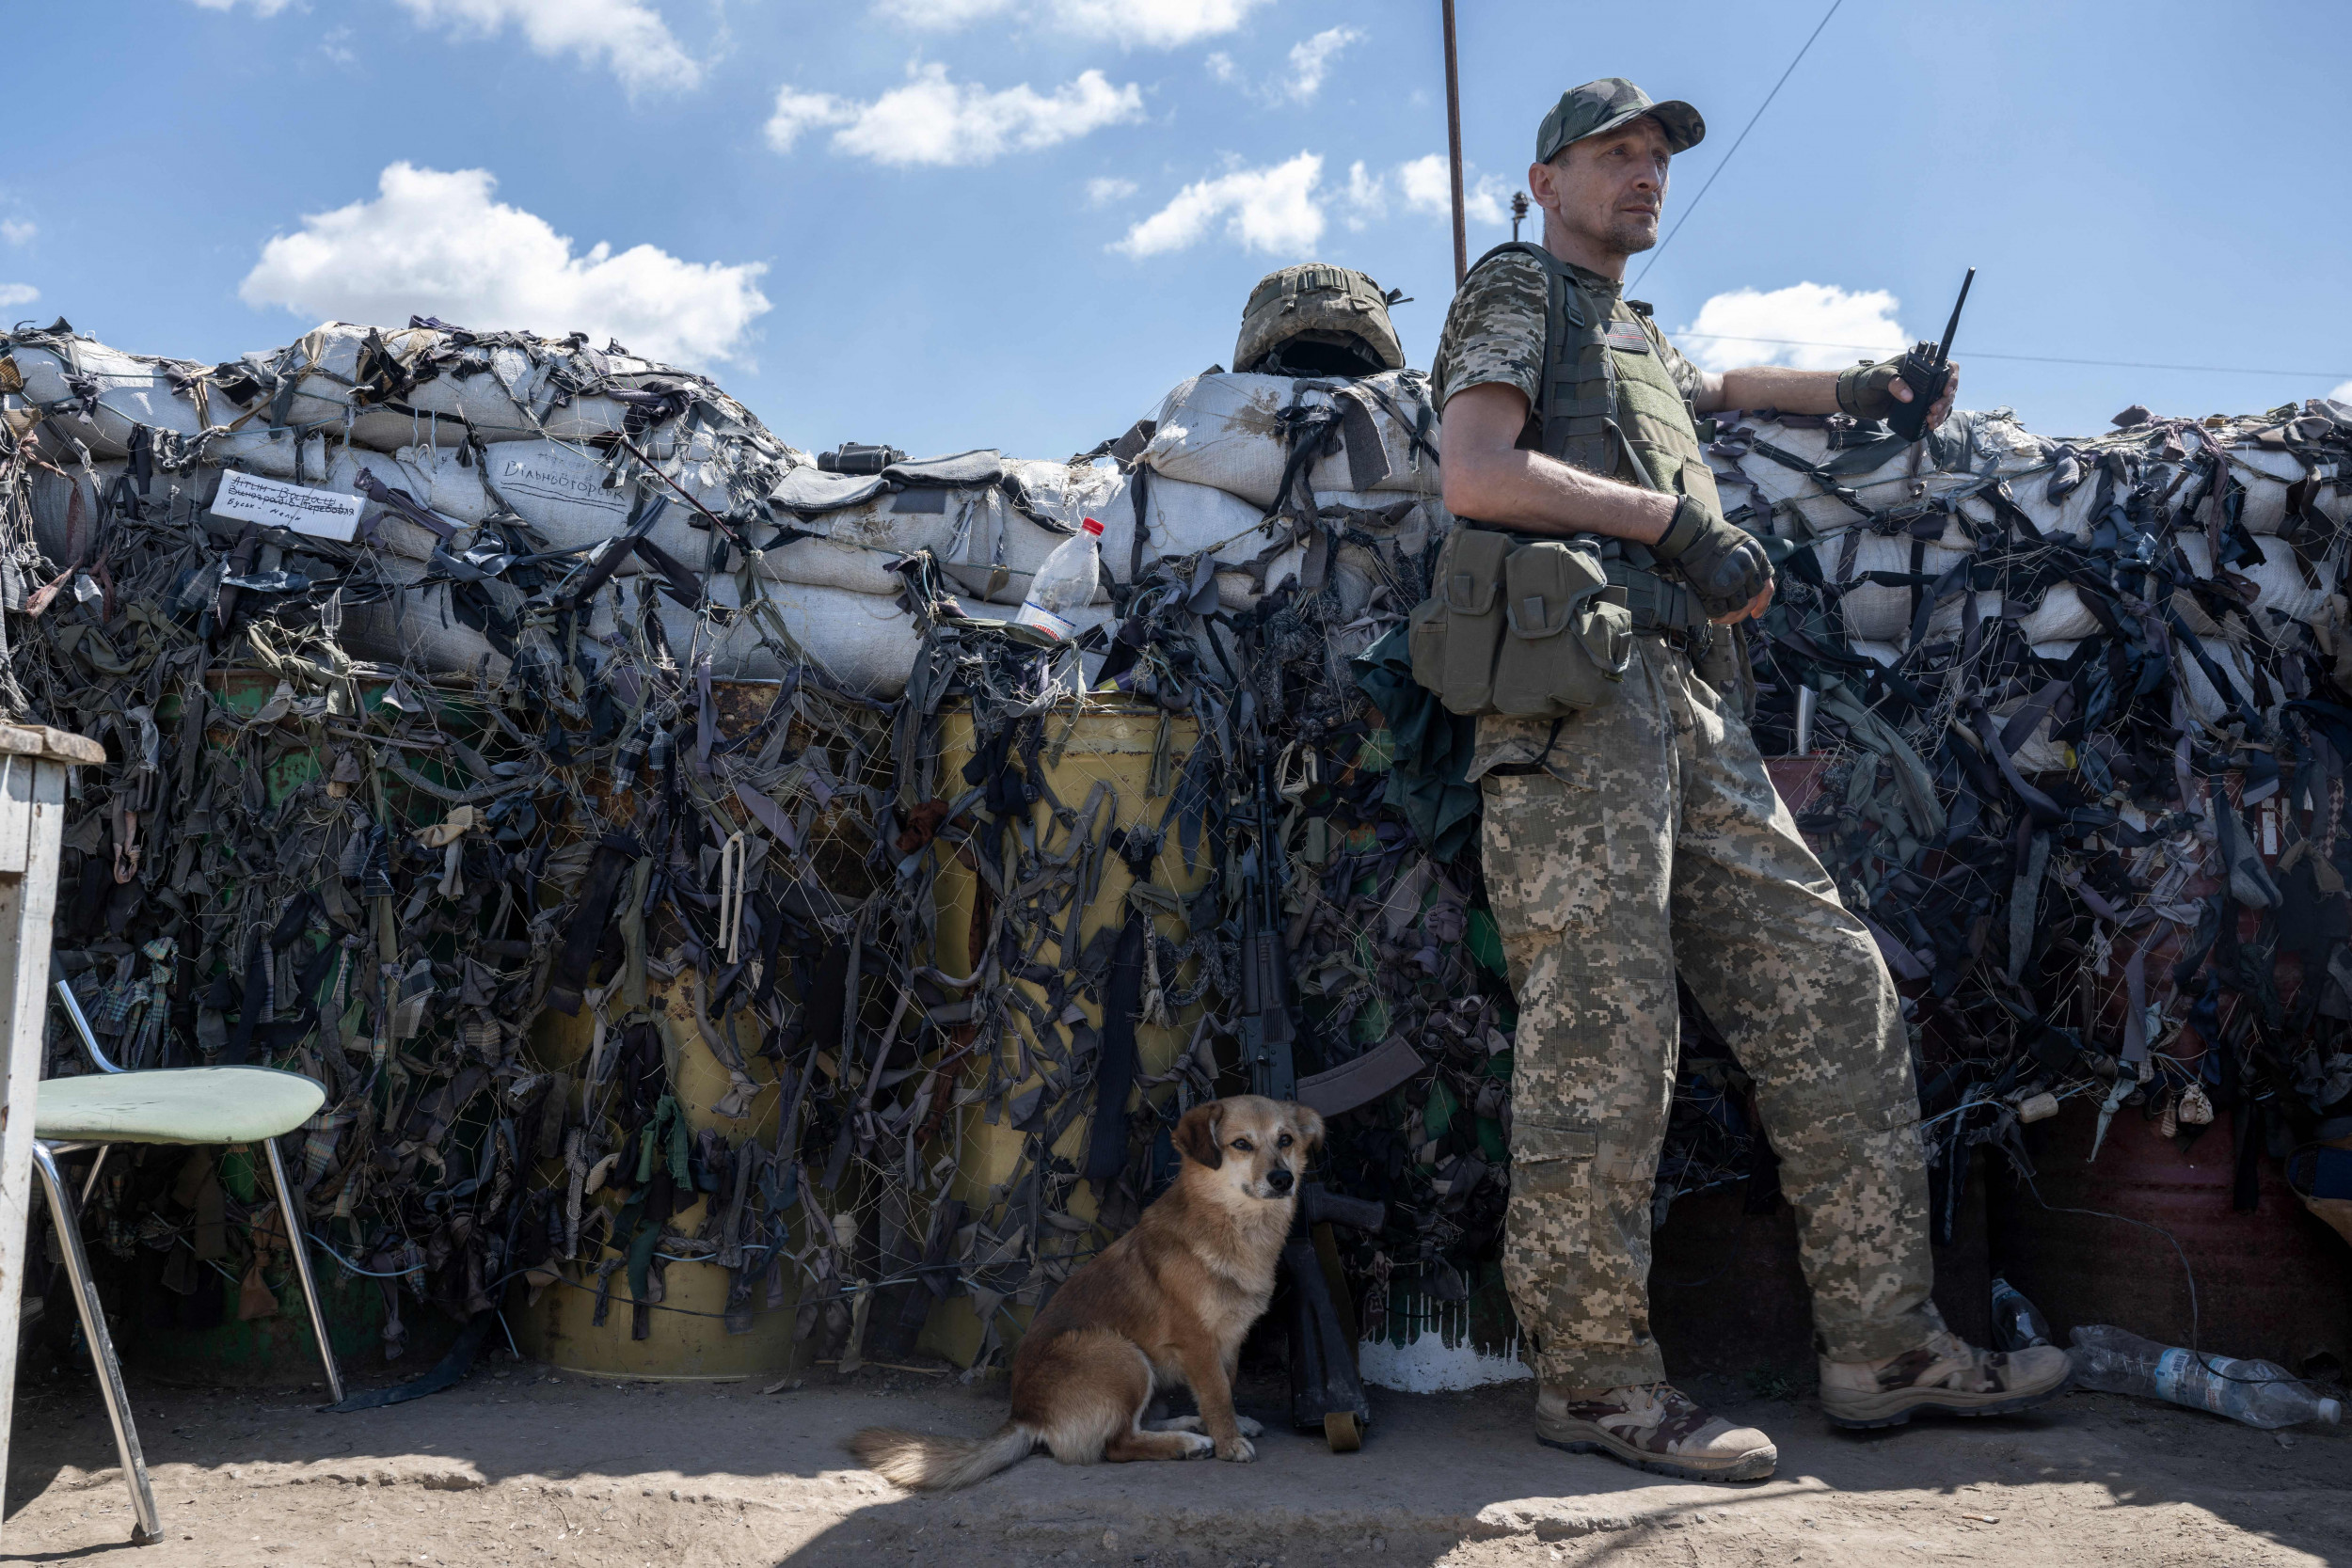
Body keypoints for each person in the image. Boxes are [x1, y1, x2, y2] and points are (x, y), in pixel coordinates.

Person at [1430, 77, 2072, 1484]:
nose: (1643, 172)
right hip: (1573, 695)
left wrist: (1867, 389)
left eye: (1657, 156)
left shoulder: (1631, 330)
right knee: (1608, 1025)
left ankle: (1883, 1348)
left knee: (1834, 987)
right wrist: (1670, 521)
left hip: (1687, 704)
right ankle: (1595, 1384)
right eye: (1613, 154)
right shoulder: (1516, 290)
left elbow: (1711, 388)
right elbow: (1476, 470)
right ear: (1544, 182)